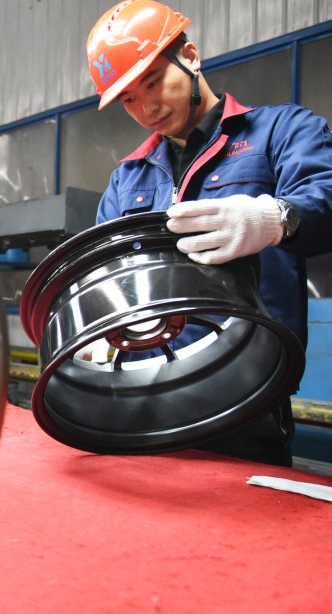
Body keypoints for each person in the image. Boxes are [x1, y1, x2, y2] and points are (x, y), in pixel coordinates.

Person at [85, 0, 332, 466]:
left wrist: (275, 218)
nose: (146, 107)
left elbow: (326, 196)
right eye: (128, 99)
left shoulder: (281, 131)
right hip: (144, 393)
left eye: (153, 81)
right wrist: (102, 324)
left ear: (191, 56)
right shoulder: (128, 177)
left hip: (247, 395)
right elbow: (105, 269)